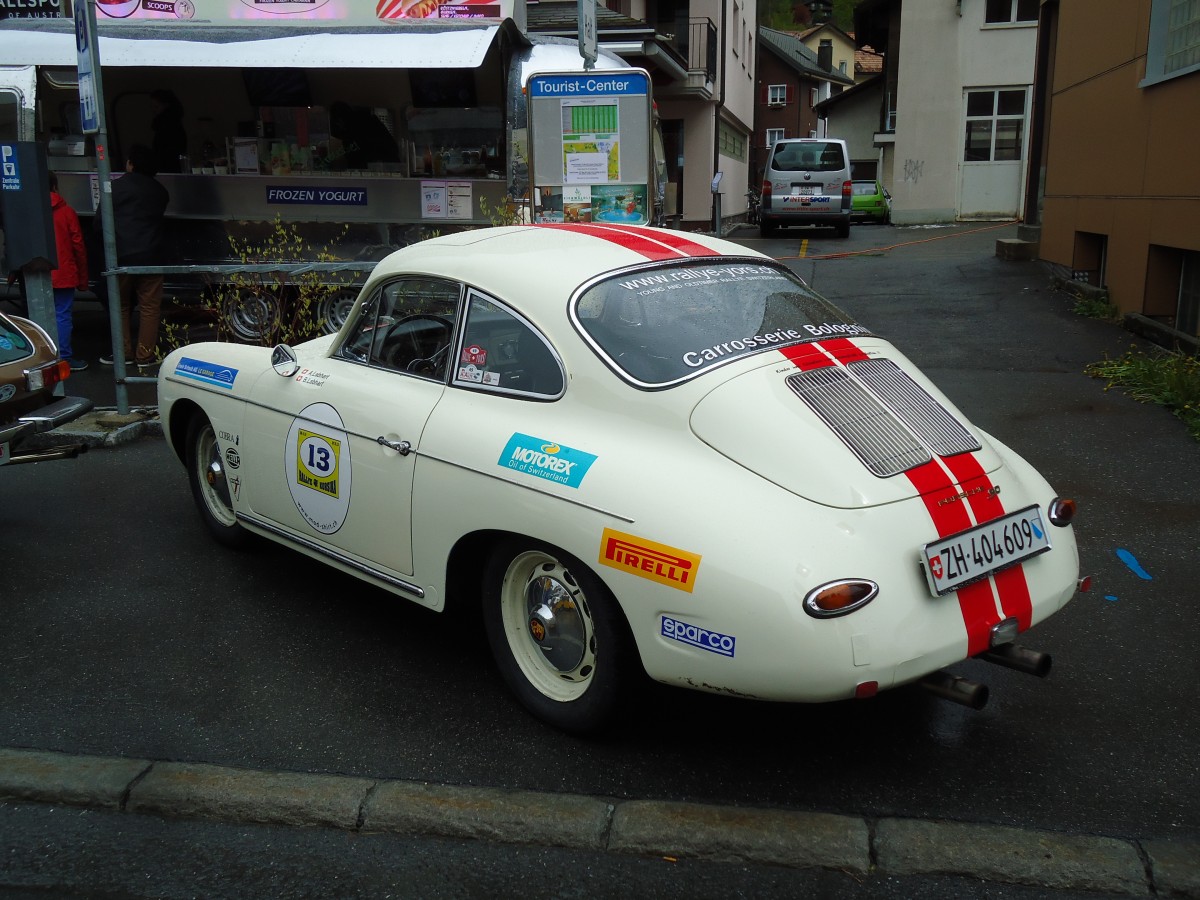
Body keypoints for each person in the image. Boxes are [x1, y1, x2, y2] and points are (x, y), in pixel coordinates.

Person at [100, 144, 169, 371]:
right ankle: (145, 356)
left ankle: (123, 354)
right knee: (149, 306)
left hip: (119, 255)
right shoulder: (160, 192)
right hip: (152, 256)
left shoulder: (114, 188)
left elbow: (98, 222)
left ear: (131, 164)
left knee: (120, 305)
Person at [49, 172, 90, 371]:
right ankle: (63, 358)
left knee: (34, 316)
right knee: (62, 315)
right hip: (64, 272)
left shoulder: (29, 210)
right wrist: (83, 279)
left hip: (35, 272)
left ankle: (42, 359)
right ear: (55, 187)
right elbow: (78, 247)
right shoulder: (67, 212)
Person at [329, 101, 400, 170]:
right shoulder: (364, 122)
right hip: (383, 166)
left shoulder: (357, 127)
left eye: (338, 123)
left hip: (378, 168)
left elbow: (356, 157)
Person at [150, 90, 187, 174]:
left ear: (166, 105)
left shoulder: (167, 125)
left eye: (156, 106)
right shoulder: (175, 123)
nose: (153, 110)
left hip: (167, 169)